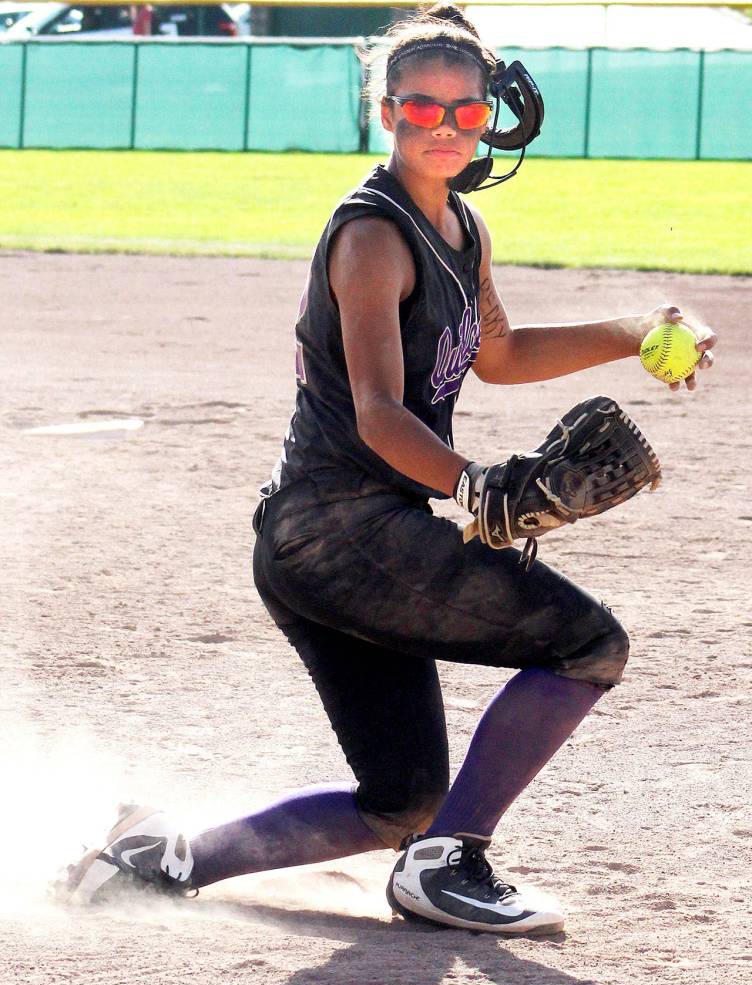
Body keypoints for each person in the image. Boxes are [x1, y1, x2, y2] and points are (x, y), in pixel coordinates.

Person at [68, 3, 716, 934]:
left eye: (466, 109)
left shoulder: (463, 226)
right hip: (338, 530)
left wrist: (635, 330)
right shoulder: (372, 236)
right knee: (588, 646)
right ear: (386, 113)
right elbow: (378, 410)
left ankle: (163, 860)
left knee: (401, 800)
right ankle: (448, 866)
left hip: (343, 538)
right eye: (422, 107)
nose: (446, 126)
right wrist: (475, 484)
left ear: (492, 115)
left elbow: (499, 354)